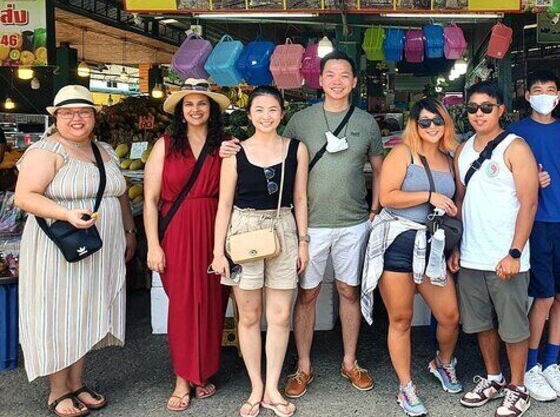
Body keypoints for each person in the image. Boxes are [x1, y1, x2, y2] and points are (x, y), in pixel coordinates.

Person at [14, 85, 137, 417]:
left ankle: (77, 382)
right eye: (67, 113)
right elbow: (24, 197)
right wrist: (67, 214)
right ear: (56, 118)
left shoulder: (104, 151)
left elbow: (119, 193)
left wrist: (128, 230)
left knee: (85, 311)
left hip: (100, 246)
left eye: (84, 112)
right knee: (59, 313)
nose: (77, 119)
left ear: (94, 116)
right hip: (58, 244)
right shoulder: (46, 150)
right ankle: (58, 390)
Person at [283, 51, 384, 398]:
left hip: (353, 222)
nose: (337, 80)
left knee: (348, 291)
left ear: (354, 82)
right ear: (320, 79)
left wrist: (375, 208)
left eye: (344, 75)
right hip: (309, 225)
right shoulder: (300, 121)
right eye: (331, 74)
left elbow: (379, 168)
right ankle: (304, 366)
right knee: (307, 294)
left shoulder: (367, 122)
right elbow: (280, 161)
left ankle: (350, 361)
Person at [210, 86, 310, 417]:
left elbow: (300, 200)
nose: (266, 116)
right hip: (243, 231)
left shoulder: (297, 149)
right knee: (249, 316)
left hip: (283, 229)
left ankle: (272, 388)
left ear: (282, 114)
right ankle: (255, 386)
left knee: (280, 317)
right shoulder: (234, 153)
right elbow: (224, 203)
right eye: (259, 110)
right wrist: (217, 251)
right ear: (249, 115)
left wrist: (304, 241)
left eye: (272, 110)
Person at [361, 98, 462, 416]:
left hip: (434, 245)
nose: (432, 127)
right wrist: (429, 195)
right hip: (399, 242)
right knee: (401, 319)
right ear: (414, 125)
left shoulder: (451, 158)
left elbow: (458, 206)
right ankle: (406, 387)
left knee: (449, 316)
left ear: (446, 123)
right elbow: (387, 195)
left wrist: (456, 247)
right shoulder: (402, 153)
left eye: (438, 121)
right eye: (425, 122)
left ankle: (442, 363)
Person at [143, 79, 232, 411]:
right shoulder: (165, 145)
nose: (196, 109)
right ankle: (183, 377)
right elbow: (150, 201)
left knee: (211, 301)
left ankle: (203, 371)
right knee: (182, 305)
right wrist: (153, 244)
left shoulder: (224, 144)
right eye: (189, 104)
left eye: (202, 103)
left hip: (215, 229)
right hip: (177, 231)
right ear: (180, 111)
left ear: (212, 110)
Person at [454, 81, 538, 417]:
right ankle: (493, 377)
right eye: (472, 108)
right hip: (472, 254)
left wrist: (515, 252)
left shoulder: (516, 147)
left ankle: (519, 387)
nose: (478, 114)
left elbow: (529, 203)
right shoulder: (463, 150)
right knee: (481, 324)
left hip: (507, 256)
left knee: (513, 326)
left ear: (501, 109)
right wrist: (456, 246)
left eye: (486, 107)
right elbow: (462, 201)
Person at [506, 71, 560, 401]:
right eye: (538, 90)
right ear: (527, 95)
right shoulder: (516, 133)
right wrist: (530, 178)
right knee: (543, 295)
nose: (544, 95)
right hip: (535, 221)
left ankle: (552, 362)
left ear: (559, 97)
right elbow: (503, 175)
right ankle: (531, 365)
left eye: (551, 90)